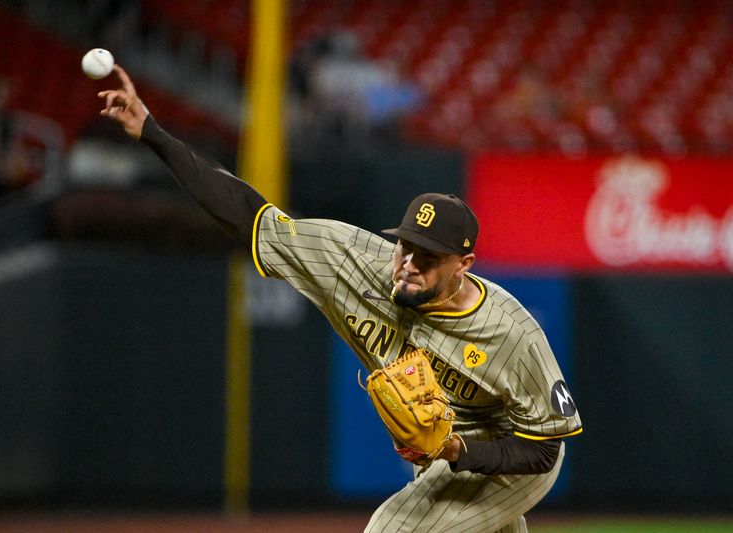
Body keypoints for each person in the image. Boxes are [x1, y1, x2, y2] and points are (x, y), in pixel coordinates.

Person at [98, 65, 583, 533]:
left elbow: (542, 449)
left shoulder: (511, 332)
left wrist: (457, 450)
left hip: (512, 456)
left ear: (464, 264)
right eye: (406, 245)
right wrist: (153, 133)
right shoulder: (349, 260)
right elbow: (249, 216)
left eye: (428, 256)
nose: (409, 262)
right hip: (452, 446)